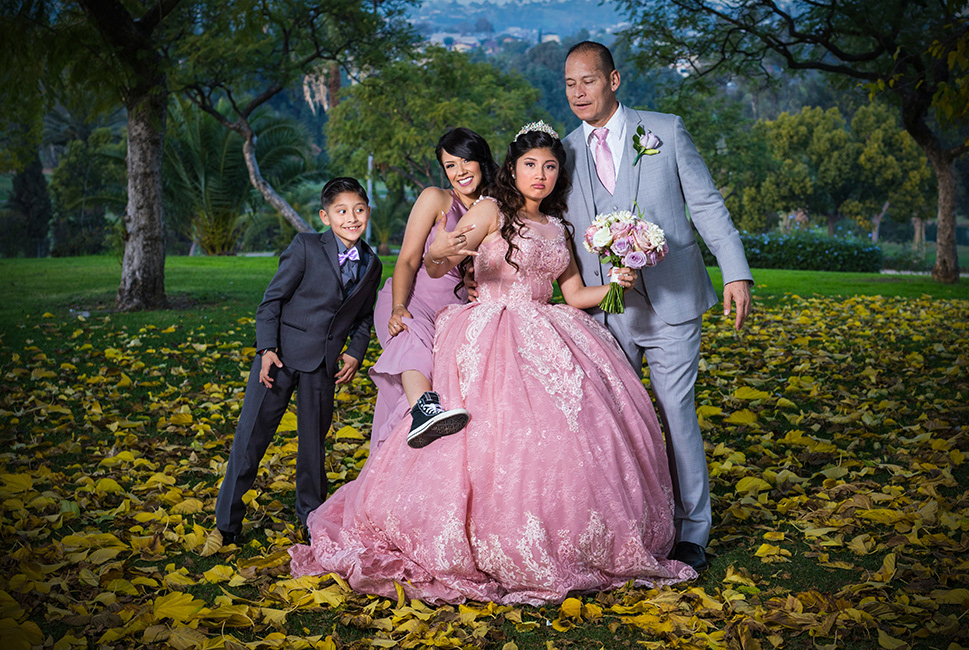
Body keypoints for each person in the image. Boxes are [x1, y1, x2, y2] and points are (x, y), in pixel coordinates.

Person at [288, 124, 697, 605]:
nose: (540, 175)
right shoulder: (490, 210)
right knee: (491, 429)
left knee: (564, 429)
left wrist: (616, 286)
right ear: (512, 169)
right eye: (530, 165)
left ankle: (563, 531)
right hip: (489, 327)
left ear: (558, 174)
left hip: (548, 323)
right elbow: (437, 264)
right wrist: (440, 253)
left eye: (549, 166)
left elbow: (573, 295)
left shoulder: (559, 226)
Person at [561, 41, 754, 572]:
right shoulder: (565, 152)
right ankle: (635, 526)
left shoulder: (665, 131)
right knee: (617, 421)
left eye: (588, 81)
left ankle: (692, 531)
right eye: (570, 84)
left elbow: (705, 204)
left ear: (613, 80)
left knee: (676, 413)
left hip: (673, 300)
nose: (578, 93)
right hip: (605, 310)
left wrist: (735, 270)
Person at [215, 177, 382, 547]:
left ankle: (311, 518)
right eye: (341, 211)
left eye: (358, 210)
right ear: (325, 216)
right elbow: (271, 301)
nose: (351, 218)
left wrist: (355, 352)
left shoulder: (372, 264)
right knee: (251, 438)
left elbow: (364, 317)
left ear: (368, 212)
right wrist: (266, 349)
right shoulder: (305, 246)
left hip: (322, 366)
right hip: (279, 359)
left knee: (313, 448)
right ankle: (226, 522)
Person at [369, 128, 499, 450]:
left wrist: (472, 279)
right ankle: (424, 412)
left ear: (481, 160)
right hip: (411, 299)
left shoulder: (496, 207)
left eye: (466, 160)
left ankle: (405, 454)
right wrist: (399, 306)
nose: (460, 171)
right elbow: (407, 260)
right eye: (450, 165)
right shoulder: (436, 199)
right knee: (411, 342)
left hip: (453, 312)